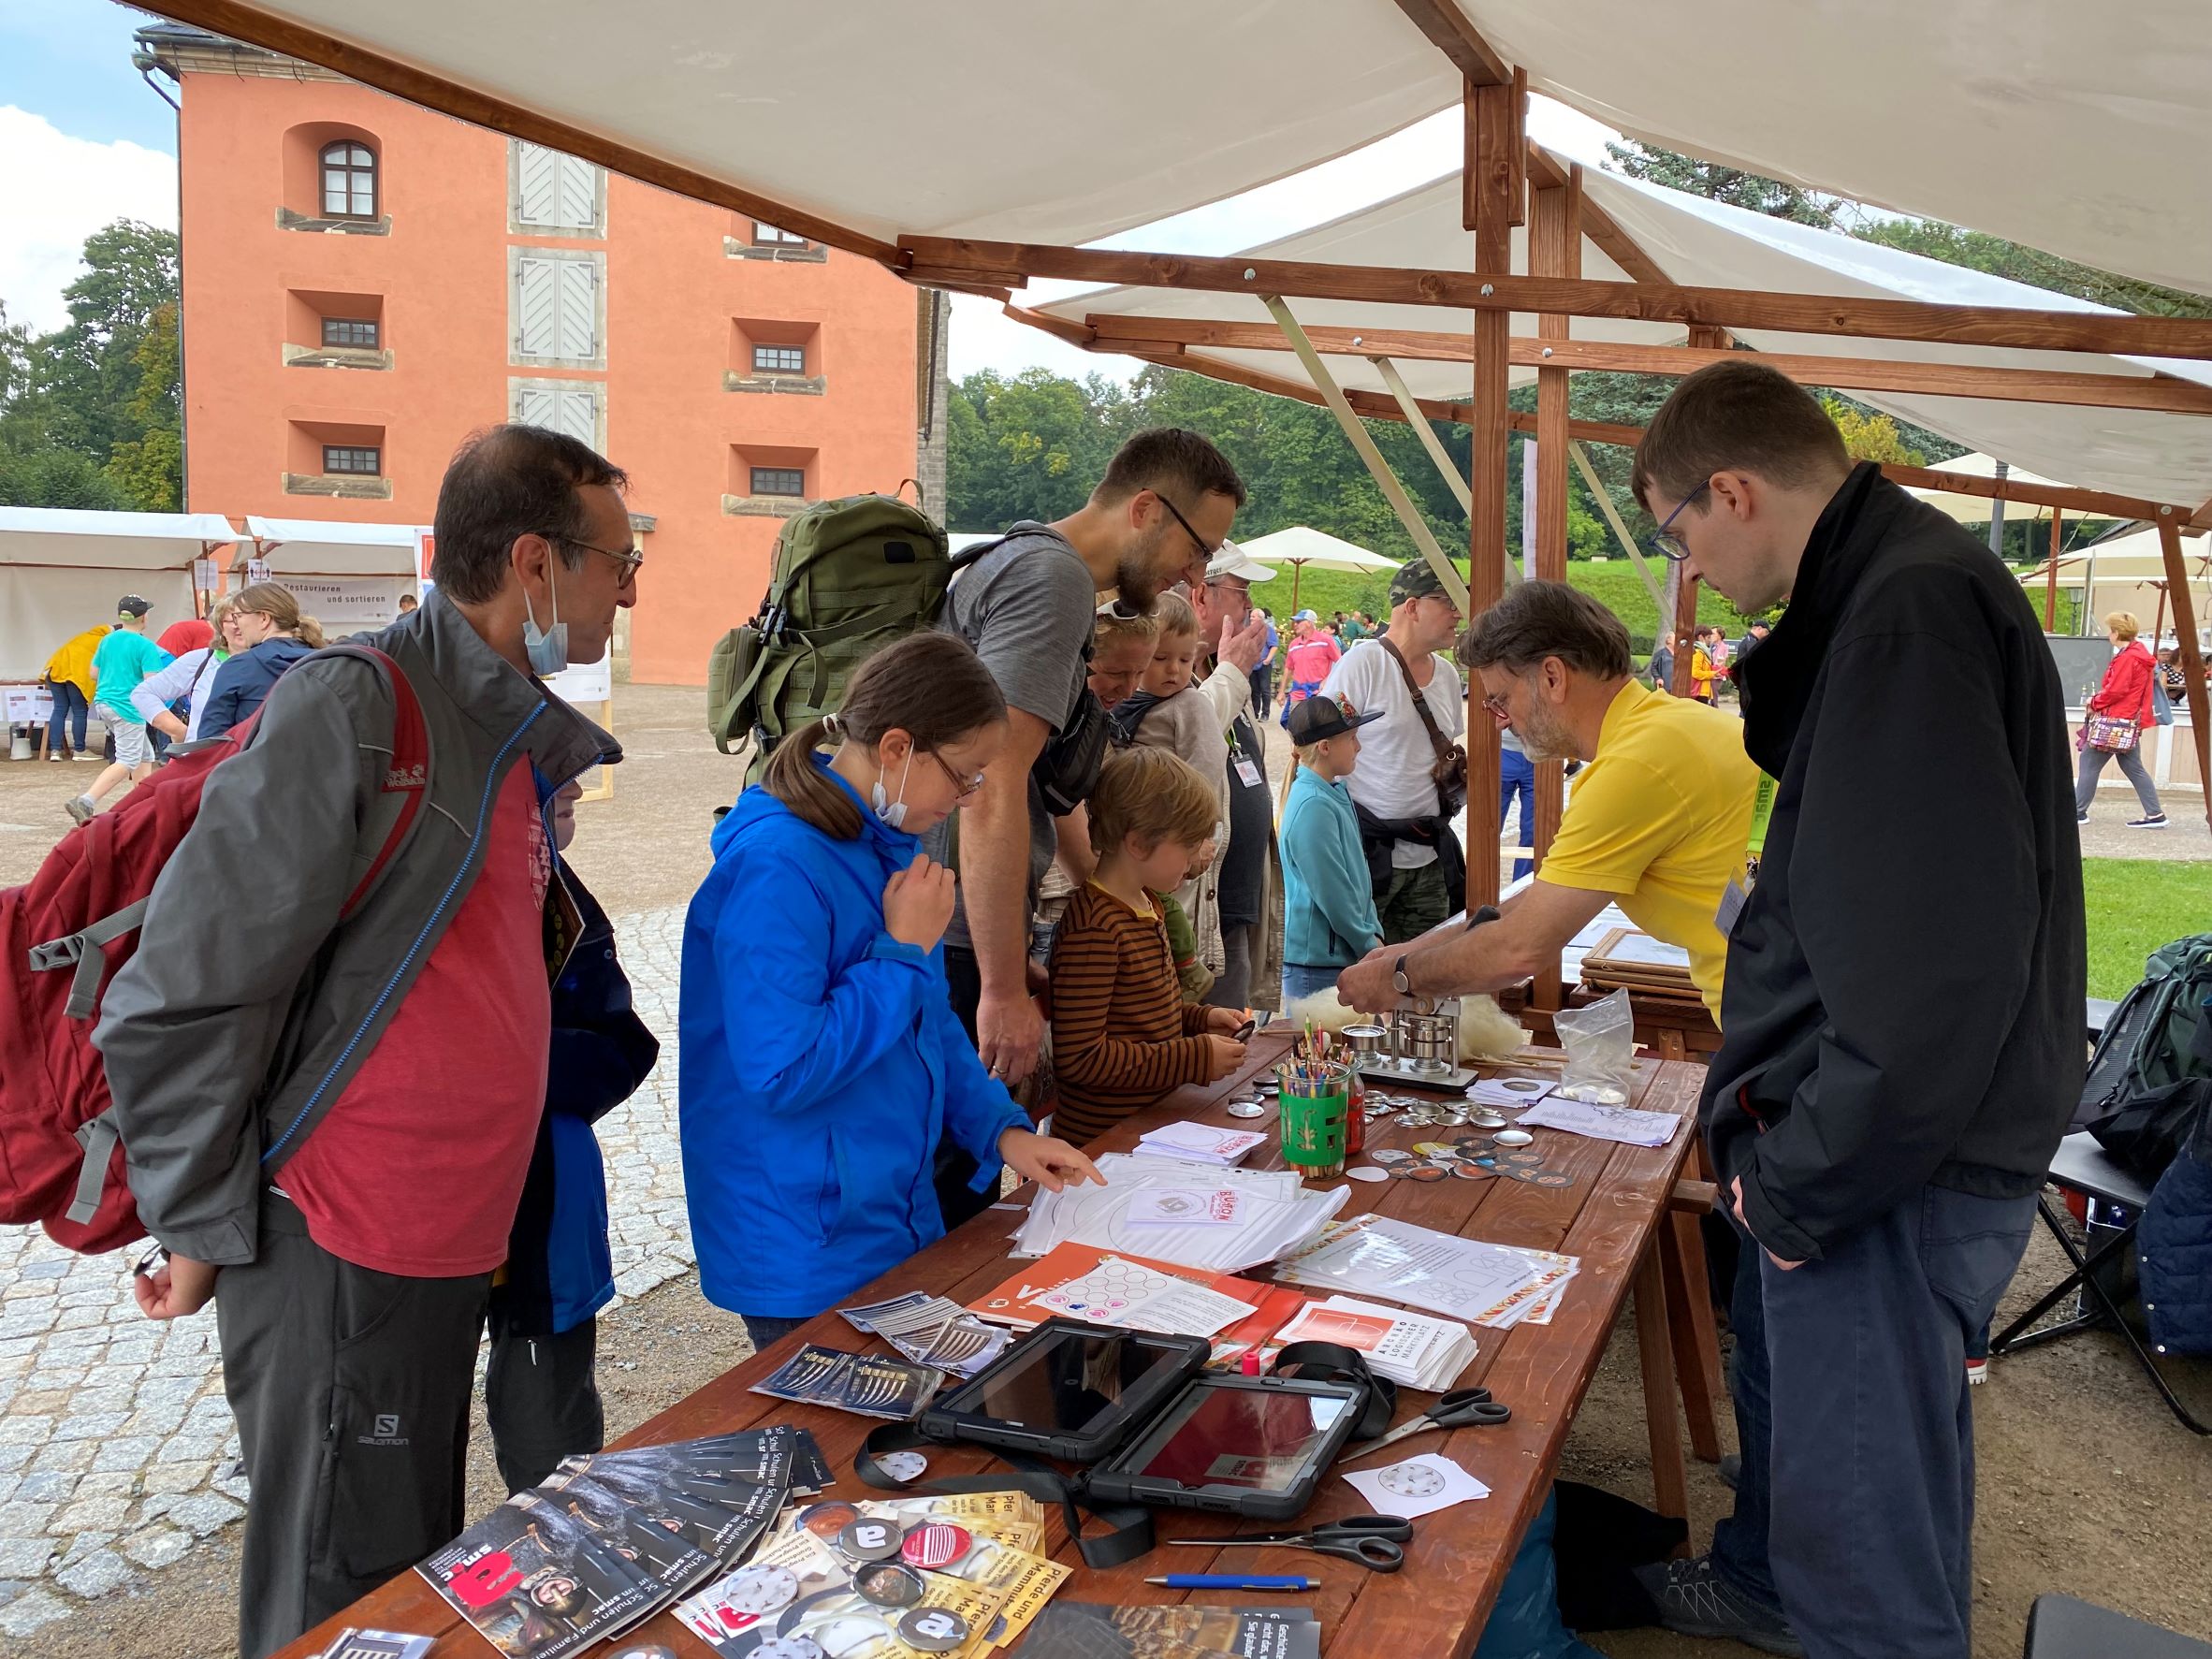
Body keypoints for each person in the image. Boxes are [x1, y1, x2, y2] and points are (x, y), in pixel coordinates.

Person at [101, 422, 636, 1659]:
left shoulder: (503, 732)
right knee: (337, 1596)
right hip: (341, 1239)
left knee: (403, 1582)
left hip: (441, 1245)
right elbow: (184, 988)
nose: (625, 589)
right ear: (533, 563)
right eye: (618, 561)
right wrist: (196, 1217)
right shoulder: (361, 705)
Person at [1625, 360, 2084, 1659]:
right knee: (1859, 1499)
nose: (1690, 572)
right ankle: (1773, 1589)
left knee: (1868, 1551)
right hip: (1903, 1143)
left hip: (1895, 1162)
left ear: (1732, 490)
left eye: (1680, 537)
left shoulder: (1906, 613)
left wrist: (1799, 1185)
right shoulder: (1891, 594)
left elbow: (1936, 976)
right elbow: (1915, 894)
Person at [680, 632, 1099, 1349]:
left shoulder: (881, 844)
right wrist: (902, 951)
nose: (969, 798)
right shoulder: (780, 865)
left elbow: (927, 1024)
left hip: (881, 1216)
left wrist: (1001, 1131)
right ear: (899, 748)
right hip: (803, 1238)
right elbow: (781, 1070)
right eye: (964, 775)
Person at [923, 427, 1245, 1230]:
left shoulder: (1026, 563)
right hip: (954, 934)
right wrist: (1001, 984)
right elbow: (994, 783)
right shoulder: (1053, 581)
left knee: (959, 1170)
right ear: (1144, 509)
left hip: (953, 922)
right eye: (1196, 547)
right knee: (957, 1181)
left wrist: (1111, 883)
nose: (1194, 577)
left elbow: (1042, 784)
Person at [1337, 580, 1758, 1028]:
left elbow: (1521, 947)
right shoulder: (1667, 727)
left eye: (1502, 700)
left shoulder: (1636, 765)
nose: (1502, 724)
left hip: (1778, 1020)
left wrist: (1400, 979)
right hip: (1777, 1003)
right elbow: (1535, 906)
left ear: (1553, 677)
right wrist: (1412, 951)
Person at [487, 776, 659, 1494]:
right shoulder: (437, 880)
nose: (583, 788)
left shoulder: (552, 882)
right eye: (555, 775)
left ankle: (557, 1558)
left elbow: (616, 1041)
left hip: (547, 1188)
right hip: (428, 1200)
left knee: (551, 1426)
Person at [1049, 747, 1250, 1145]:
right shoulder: (1095, 929)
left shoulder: (1145, 903)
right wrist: (1193, 1058)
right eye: (1188, 845)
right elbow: (1082, 1058)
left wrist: (1199, 1019)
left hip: (1147, 1126)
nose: (1195, 859)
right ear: (1139, 844)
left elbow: (1138, 1014)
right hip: (1102, 1143)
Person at [1318, 560, 1467, 942]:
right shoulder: (1364, 664)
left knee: (1425, 977)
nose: (1459, 612)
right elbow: (1316, 751)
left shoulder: (1448, 676)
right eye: (1447, 600)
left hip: (1430, 857)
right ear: (1413, 606)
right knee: (1358, 980)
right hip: (1368, 860)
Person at [1112, 591, 1232, 988]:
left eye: (1184, 660)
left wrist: (1194, 833)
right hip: (1137, 831)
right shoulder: (1124, 703)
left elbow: (1208, 764)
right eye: (1160, 659)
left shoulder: (1190, 703)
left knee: (1165, 908)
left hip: (1174, 832)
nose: (1173, 671)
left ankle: (1180, 975)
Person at [1191, 543, 1284, 1012]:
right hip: (1198, 908)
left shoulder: (1220, 670)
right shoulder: (1166, 673)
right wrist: (1231, 672)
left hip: (1233, 903)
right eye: (1240, 591)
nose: (1249, 605)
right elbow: (1189, 741)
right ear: (1198, 596)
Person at [1279, 695, 1385, 1003]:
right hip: (1318, 965)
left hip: (1336, 957)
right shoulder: (1314, 803)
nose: (1358, 747)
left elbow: (1354, 882)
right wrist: (1370, 944)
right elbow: (1333, 892)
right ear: (1325, 747)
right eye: (1351, 738)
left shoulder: (1332, 792)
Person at [65, 596, 170, 824]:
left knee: (144, 756)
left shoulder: (108, 640)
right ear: (144, 617)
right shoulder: (145, 646)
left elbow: (94, 673)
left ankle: (144, 804)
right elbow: (152, 680)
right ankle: (86, 800)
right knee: (128, 759)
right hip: (128, 707)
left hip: (104, 703)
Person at [196, 583, 328, 740]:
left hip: (255, 763)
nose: (237, 624)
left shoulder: (238, 667)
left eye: (237, 616)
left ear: (264, 618)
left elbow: (210, 742)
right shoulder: (328, 662)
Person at [2074, 610, 2165, 829]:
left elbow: (2116, 690)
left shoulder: (2127, 658)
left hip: (2113, 720)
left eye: (2110, 631)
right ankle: (2155, 814)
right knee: (2134, 768)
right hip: (2128, 721)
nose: (2109, 635)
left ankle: (2077, 812)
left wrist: (2093, 703)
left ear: (2116, 633)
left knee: (2089, 762)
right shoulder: (2139, 656)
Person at [132, 600, 237, 746]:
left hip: (113, 699)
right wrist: (180, 732)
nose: (239, 626)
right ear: (144, 617)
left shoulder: (113, 639)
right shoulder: (203, 644)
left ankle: (166, 751)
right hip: (172, 666)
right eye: (234, 620)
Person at [41, 619, 108, 761]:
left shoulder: (86, 636)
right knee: (79, 711)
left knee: (59, 709)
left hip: (54, 671)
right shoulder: (107, 641)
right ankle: (79, 750)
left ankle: (55, 750)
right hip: (75, 675)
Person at [1279, 610, 1340, 721]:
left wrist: (1327, 679)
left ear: (1308, 623)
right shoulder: (1294, 645)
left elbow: (1340, 663)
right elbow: (1288, 668)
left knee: (1317, 729)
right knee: (1293, 727)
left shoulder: (1326, 641)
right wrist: (1281, 691)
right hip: (1298, 694)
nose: (1295, 625)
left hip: (1318, 694)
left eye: (1298, 622)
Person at [1251, 605, 1279, 716]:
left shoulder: (1268, 630)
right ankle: (1255, 712)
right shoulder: (1250, 630)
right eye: (1251, 616)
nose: (1251, 618)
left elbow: (1274, 645)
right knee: (1254, 690)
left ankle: (1265, 713)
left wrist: (1268, 660)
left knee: (1265, 689)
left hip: (1264, 664)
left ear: (1260, 618)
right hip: (1253, 664)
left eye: (1253, 616)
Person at [1688, 626, 1720, 704]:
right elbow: (1695, 672)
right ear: (1701, 637)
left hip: (1703, 691)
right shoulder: (1698, 652)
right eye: (1708, 637)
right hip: (1699, 692)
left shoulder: (1703, 652)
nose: (1710, 640)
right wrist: (1712, 674)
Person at [1648, 630, 1676, 695]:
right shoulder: (1660, 653)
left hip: (1676, 685)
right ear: (1668, 640)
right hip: (1665, 684)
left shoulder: (1678, 654)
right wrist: (1658, 678)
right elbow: (1653, 667)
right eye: (1675, 638)